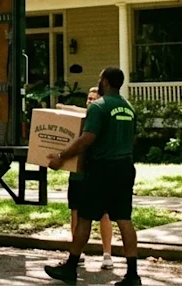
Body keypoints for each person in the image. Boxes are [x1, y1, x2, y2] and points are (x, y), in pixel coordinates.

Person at [45, 67, 140, 285]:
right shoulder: (128, 108)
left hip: (101, 169)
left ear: (105, 82)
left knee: (85, 217)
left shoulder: (99, 107)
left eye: (100, 80)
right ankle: (133, 275)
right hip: (125, 167)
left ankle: (71, 268)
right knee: (124, 219)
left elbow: (87, 138)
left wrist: (61, 156)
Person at [67, 87, 114, 271]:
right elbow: (60, 107)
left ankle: (107, 254)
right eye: (88, 98)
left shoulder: (102, 120)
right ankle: (77, 254)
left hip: (97, 173)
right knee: (75, 212)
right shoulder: (77, 120)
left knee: (103, 214)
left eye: (94, 99)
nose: (90, 101)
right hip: (77, 174)